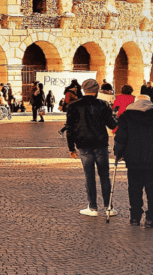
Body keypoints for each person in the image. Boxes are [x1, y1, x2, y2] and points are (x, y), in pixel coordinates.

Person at [113, 97, 153, 228]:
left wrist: (118, 153)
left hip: (133, 159)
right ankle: (151, 218)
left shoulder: (126, 118)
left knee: (134, 188)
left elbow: (120, 138)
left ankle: (135, 217)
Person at [65, 79, 118, 217]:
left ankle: (93, 207)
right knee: (104, 176)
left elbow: (70, 129)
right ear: (97, 90)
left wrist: (71, 148)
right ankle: (108, 206)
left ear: (83, 89)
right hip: (100, 143)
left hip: (83, 144)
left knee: (89, 176)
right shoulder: (103, 104)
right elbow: (112, 125)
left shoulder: (73, 106)